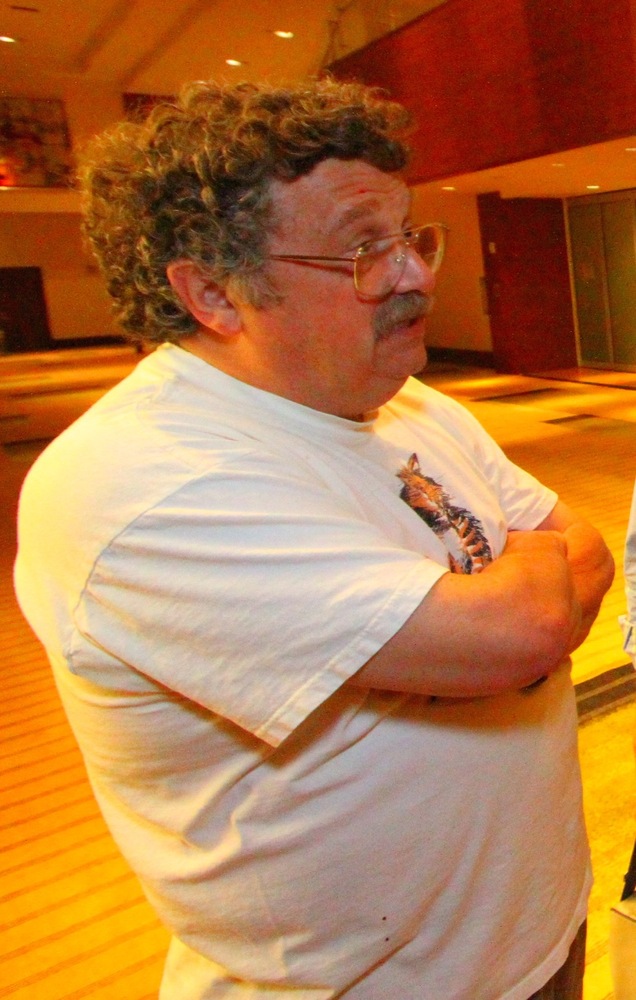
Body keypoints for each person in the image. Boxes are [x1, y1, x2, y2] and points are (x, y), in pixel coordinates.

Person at [14, 78, 614, 1000]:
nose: (416, 275)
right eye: (364, 250)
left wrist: (529, 580)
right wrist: (531, 567)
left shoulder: (409, 400)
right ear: (213, 292)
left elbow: (589, 549)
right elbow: (522, 630)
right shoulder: (143, 480)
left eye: (410, 236)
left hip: (538, 933)